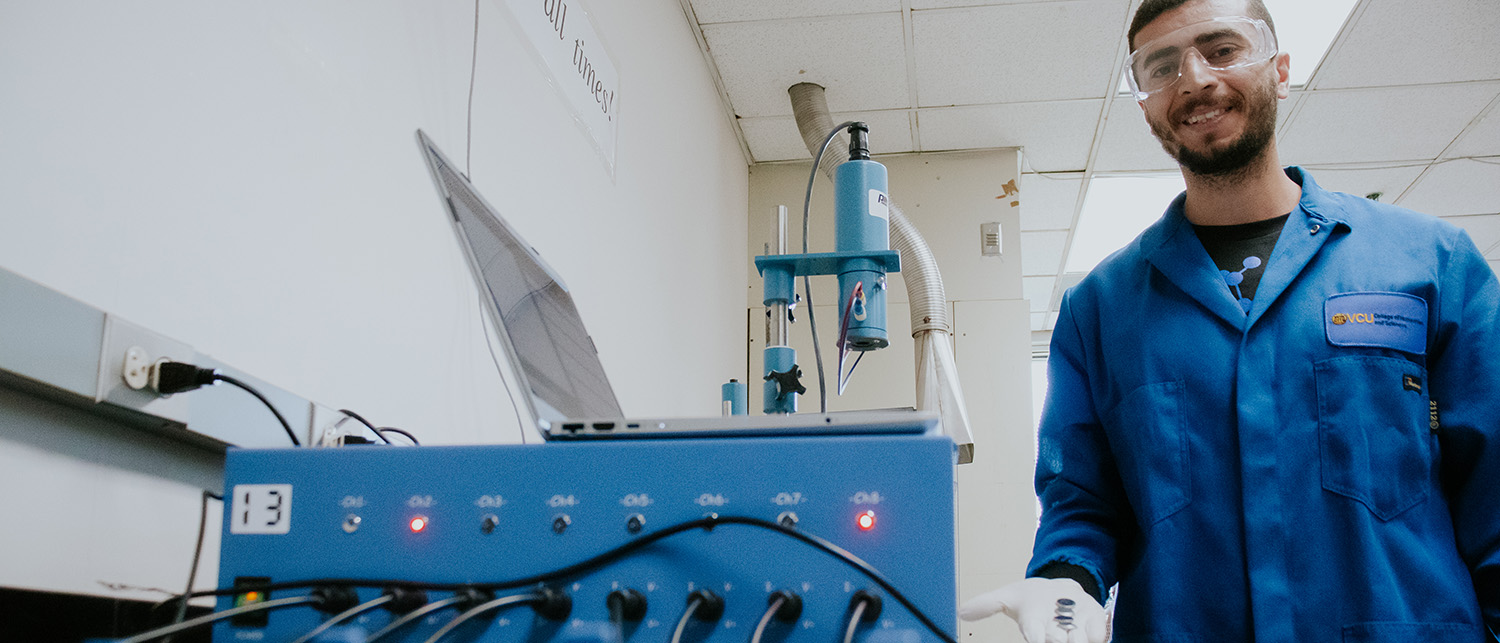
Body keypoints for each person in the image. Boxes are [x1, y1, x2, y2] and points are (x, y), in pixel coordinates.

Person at [957, 0, 1500, 641]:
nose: (1193, 79)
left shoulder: (1432, 264)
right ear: (1145, 103)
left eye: (1221, 49)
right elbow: (1082, 500)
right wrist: (1065, 581)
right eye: (1161, 66)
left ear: (1280, 69)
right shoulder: (1099, 310)